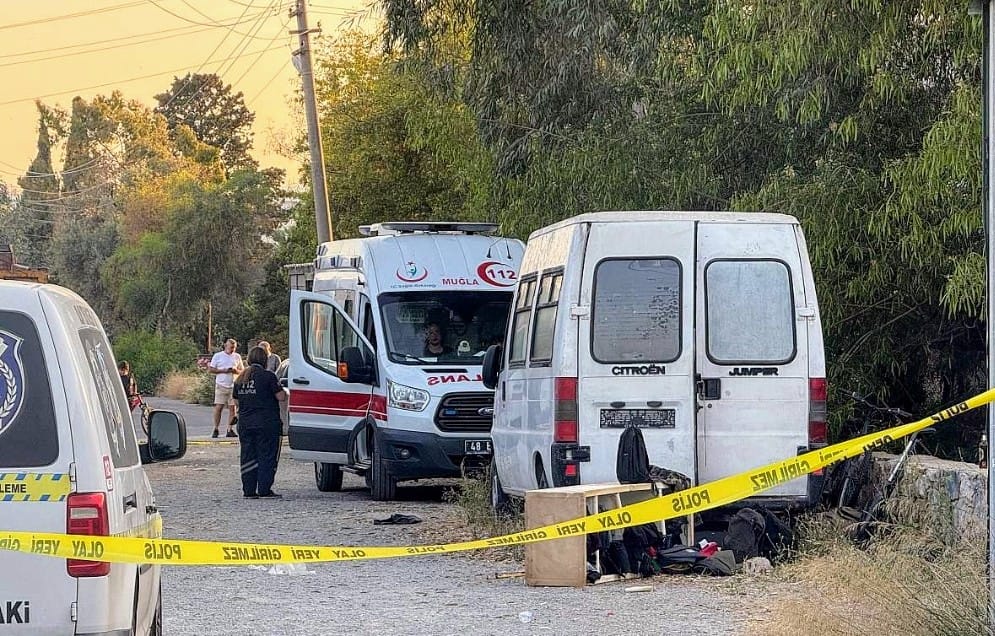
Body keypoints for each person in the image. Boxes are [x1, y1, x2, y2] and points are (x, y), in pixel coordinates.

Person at [233, 346, 286, 499]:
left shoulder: (241, 378)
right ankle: (264, 489)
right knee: (267, 456)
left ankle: (248, 490)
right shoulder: (268, 376)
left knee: (248, 455)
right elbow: (281, 397)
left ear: (248, 360)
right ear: (264, 360)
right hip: (267, 423)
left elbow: (236, 401)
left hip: (245, 423)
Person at [208, 338, 244, 438]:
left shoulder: (237, 357)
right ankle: (216, 428)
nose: (232, 349)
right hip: (221, 384)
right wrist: (224, 370)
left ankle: (230, 429)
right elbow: (211, 369)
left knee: (233, 408)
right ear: (225, 346)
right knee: (218, 407)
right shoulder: (218, 356)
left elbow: (242, 371)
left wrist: (235, 371)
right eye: (231, 347)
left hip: (233, 385)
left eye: (234, 348)